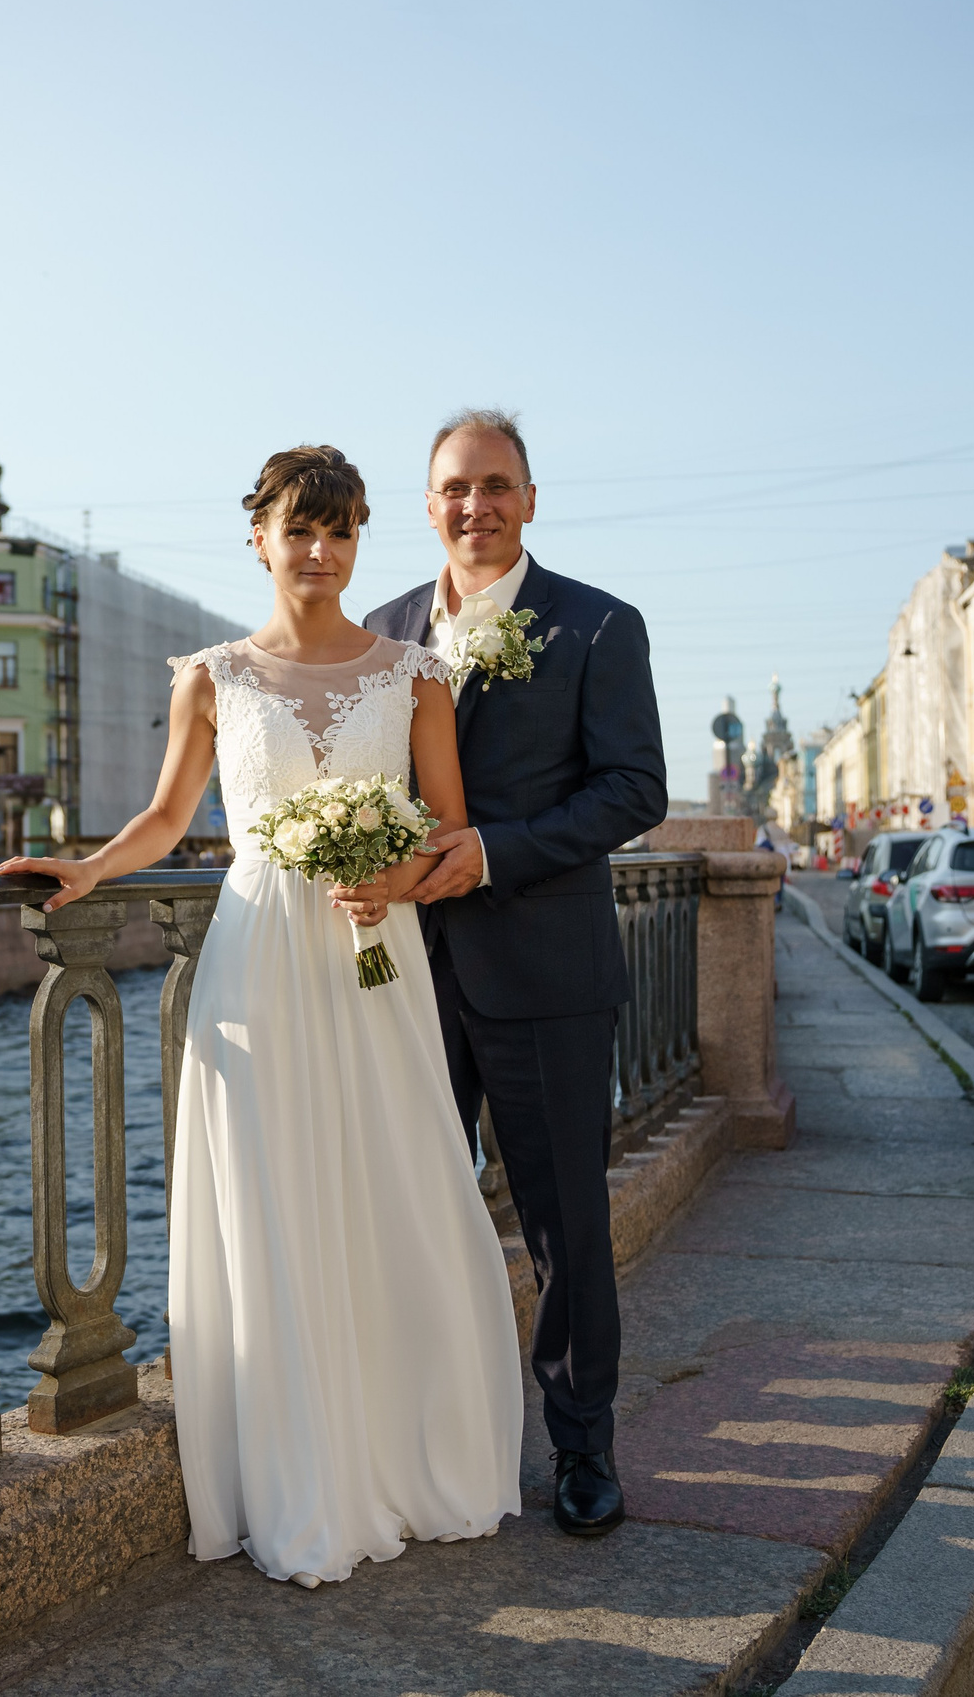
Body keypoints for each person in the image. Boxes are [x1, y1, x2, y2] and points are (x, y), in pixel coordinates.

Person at [0, 445, 520, 1587]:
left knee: (396, 1177)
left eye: (339, 532)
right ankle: (297, 1465)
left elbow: (448, 827)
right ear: (260, 537)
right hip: (256, 959)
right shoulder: (212, 675)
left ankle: (409, 1447)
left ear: (358, 539)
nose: (320, 553)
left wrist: (391, 876)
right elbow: (165, 815)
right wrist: (85, 871)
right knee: (272, 1188)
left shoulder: (414, 674)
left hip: (372, 945)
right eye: (299, 530)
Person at [348, 409, 667, 1539]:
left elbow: (635, 790)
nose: (473, 505)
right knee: (406, 1211)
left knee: (565, 1225)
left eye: (494, 485)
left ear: (528, 500)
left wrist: (492, 850)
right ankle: (424, 1439)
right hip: (398, 977)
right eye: (452, 488)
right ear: (425, 503)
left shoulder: (595, 625)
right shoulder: (377, 632)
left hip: (546, 971)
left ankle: (582, 1447)